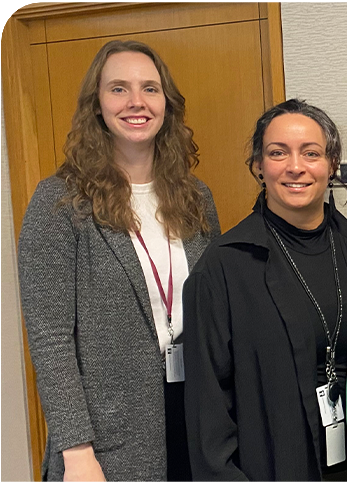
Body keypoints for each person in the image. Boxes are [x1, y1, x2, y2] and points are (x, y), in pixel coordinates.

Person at [17, 40, 218, 481]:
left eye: (150, 88)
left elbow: (212, 310)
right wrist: (76, 450)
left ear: (166, 103)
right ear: (97, 104)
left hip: (196, 418)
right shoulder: (60, 202)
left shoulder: (195, 198)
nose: (136, 102)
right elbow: (50, 340)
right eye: (118, 89)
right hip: (108, 439)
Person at [182, 99, 347, 481]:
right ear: (258, 166)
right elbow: (208, 411)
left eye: (311, 153)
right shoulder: (222, 267)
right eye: (277, 153)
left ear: (332, 164)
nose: (295, 167)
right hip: (274, 467)